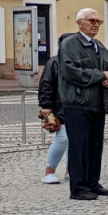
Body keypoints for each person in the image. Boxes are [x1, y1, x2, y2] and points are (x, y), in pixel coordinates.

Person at [58, 8, 108, 201]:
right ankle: (78, 187)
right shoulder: (70, 44)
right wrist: (101, 76)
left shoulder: (99, 46)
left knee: (95, 145)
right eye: (91, 20)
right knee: (79, 146)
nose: (95, 24)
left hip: (98, 102)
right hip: (77, 102)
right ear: (79, 22)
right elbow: (70, 71)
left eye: (98, 21)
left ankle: (92, 182)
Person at [38, 33, 73, 184]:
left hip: (76, 105)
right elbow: (45, 84)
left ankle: (71, 170)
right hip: (59, 106)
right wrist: (45, 105)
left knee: (75, 140)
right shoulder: (54, 62)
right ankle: (49, 171)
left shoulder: (79, 61)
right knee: (63, 138)